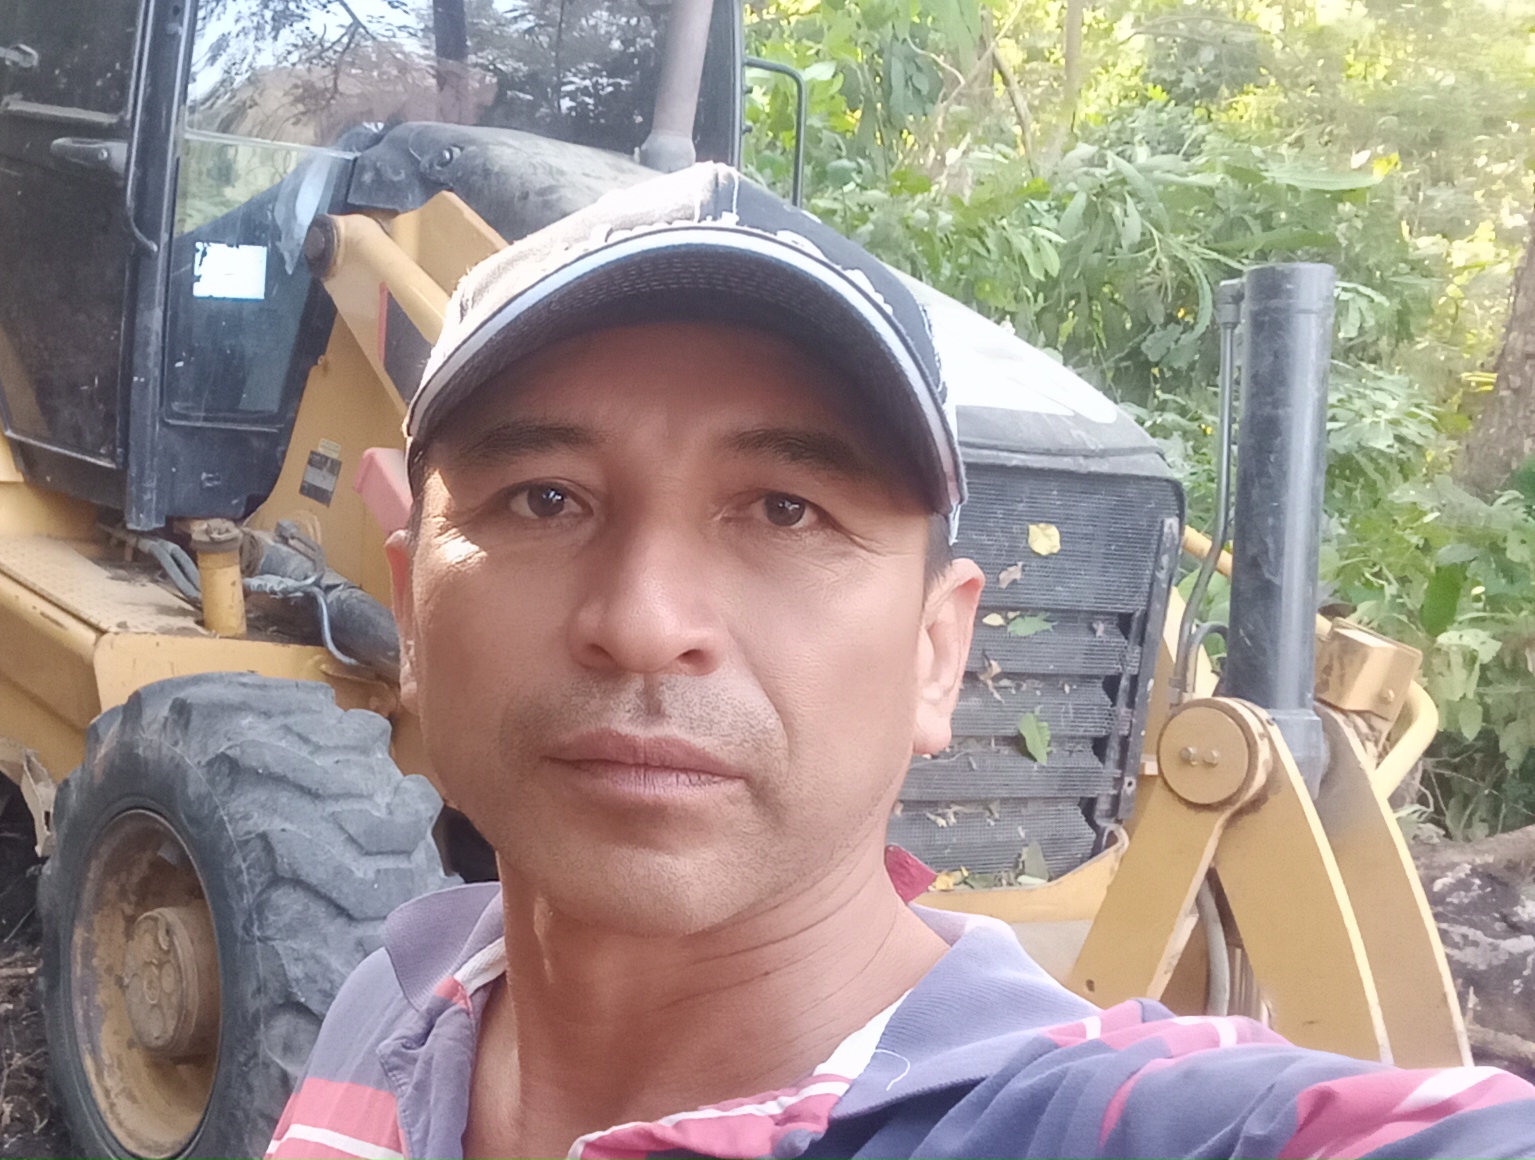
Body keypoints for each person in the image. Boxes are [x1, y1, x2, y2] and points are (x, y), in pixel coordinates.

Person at [266, 162, 1535, 1160]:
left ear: (938, 651)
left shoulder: (1083, 1121)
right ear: (411, 616)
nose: (645, 621)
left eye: (786, 511)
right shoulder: (394, 1008)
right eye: (545, 498)